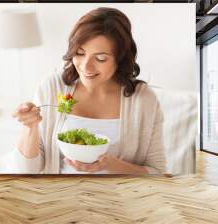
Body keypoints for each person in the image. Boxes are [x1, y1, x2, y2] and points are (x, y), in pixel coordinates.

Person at [12, 7, 166, 175]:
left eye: (100, 58)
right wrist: (30, 126)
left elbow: (158, 172)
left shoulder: (143, 99)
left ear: (120, 58)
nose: (86, 66)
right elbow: (27, 171)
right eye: (79, 53)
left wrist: (113, 166)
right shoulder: (52, 86)